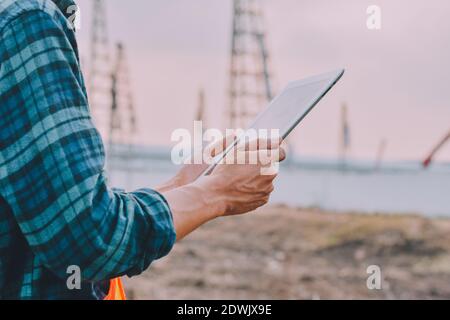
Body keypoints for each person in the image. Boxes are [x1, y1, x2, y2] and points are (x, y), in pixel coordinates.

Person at [0, 0, 286, 299]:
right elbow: (92, 241)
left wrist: (184, 183)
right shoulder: (28, 20)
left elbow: (57, 213)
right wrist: (215, 194)